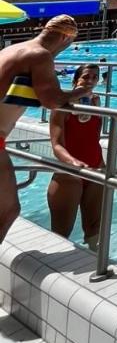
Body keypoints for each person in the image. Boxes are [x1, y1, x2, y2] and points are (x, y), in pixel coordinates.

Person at [0, 15, 82, 243]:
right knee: (7, 212)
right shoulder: (40, 56)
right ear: (67, 37)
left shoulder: (16, 50)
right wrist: (81, 92)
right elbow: (52, 100)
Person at [47, 62, 105, 249]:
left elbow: (94, 138)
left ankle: (96, 265)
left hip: (95, 169)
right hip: (69, 173)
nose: (91, 80)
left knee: (95, 229)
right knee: (61, 234)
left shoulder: (96, 101)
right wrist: (73, 163)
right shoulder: (62, 105)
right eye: (86, 76)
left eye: (95, 77)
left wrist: (101, 165)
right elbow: (57, 145)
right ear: (75, 79)